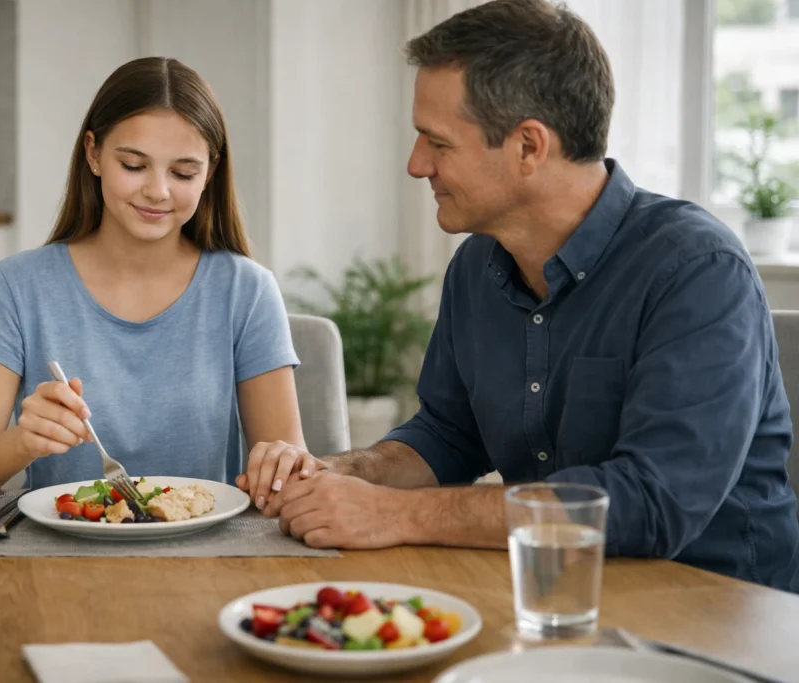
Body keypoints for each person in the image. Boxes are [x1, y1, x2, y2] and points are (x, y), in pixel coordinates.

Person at [251, 0, 799, 593]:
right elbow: (448, 437)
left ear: (529, 147)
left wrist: (394, 514)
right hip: (552, 594)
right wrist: (341, 474)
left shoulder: (697, 271)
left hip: (717, 614)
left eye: (437, 143)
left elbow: (653, 502)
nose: (416, 165)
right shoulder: (475, 267)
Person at [0, 57, 317, 498]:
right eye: (134, 166)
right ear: (93, 154)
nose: (157, 190)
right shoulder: (18, 286)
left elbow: (285, 464)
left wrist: (287, 466)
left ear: (209, 173)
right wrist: (24, 441)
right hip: (58, 558)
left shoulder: (246, 291)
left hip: (207, 558)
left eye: (183, 172)